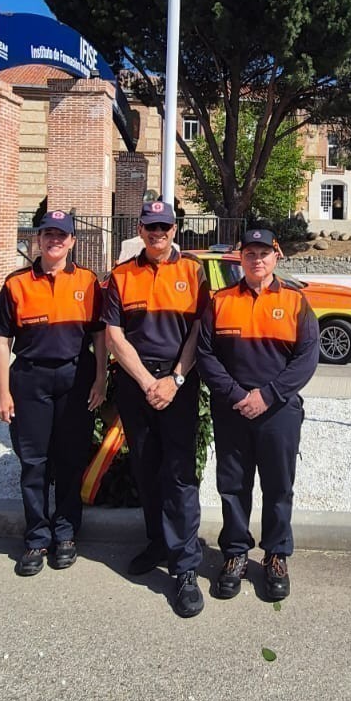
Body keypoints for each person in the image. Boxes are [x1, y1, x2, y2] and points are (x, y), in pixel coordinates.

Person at [197, 227, 319, 602]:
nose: (257, 260)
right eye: (250, 253)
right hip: (232, 410)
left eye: (264, 253)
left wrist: (267, 396)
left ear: (275, 256)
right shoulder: (220, 301)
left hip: (278, 411)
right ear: (241, 258)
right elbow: (205, 355)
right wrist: (237, 395)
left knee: (278, 486)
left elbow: (307, 358)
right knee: (233, 486)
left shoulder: (296, 302)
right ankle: (235, 553)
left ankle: (276, 554)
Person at [102, 200, 209, 618]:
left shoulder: (193, 271)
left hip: (179, 382)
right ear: (140, 229)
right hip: (137, 384)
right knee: (146, 467)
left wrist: (175, 380)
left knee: (179, 475)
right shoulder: (121, 275)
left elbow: (199, 330)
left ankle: (184, 567)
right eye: (151, 226)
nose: (157, 233)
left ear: (174, 230)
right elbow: (114, 335)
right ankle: (158, 542)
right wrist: (148, 382)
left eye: (164, 226)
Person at [0, 210, 107, 578]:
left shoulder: (88, 282)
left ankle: (66, 534)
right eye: (48, 234)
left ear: (72, 241)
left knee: (70, 460)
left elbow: (100, 335)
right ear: (39, 239)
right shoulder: (17, 283)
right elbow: (2, 342)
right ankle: (37, 537)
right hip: (30, 379)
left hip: (75, 378)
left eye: (61, 235)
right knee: (33, 463)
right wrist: (3, 393)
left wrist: (100, 379)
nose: (55, 240)